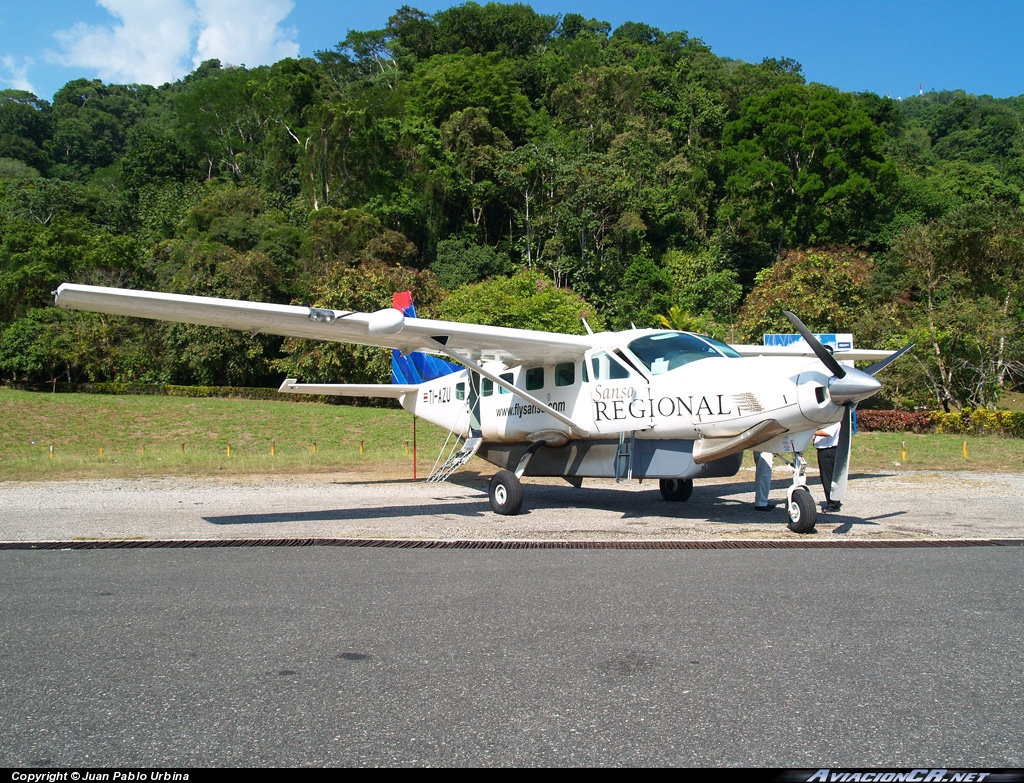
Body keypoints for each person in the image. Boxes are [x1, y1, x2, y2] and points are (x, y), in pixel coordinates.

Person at [814, 421, 842, 511]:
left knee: (828, 478)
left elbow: (827, 433)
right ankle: (833, 501)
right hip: (825, 450)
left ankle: (833, 503)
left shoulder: (834, 422)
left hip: (829, 450)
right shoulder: (829, 421)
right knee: (827, 477)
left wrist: (811, 431)